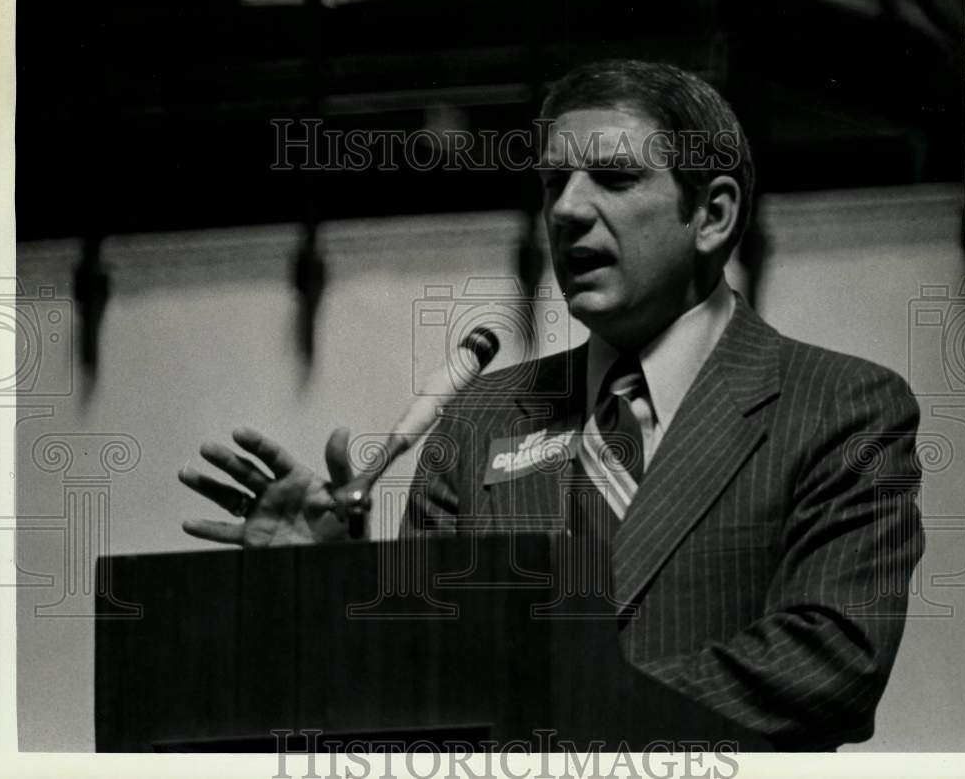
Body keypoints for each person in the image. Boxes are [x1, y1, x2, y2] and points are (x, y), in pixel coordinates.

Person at [179, 59, 924, 751]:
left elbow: (830, 662)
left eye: (613, 176)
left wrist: (550, 710)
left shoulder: (843, 407)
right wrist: (331, 590)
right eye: (552, 183)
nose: (566, 210)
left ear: (714, 214)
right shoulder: (477, 422)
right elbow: (417, 688)